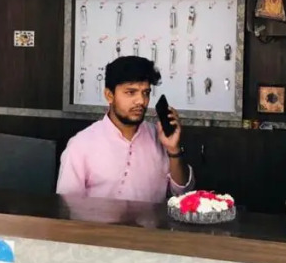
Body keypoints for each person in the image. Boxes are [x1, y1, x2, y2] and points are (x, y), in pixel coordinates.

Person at [56, 56, 194, 202]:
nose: (141, 101)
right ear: (109, 95)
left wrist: (173, 149)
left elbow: (183, 194)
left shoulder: (159, 137)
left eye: (146, 93)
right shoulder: (81, 145)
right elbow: (67, 206)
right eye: (130, 92)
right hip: (97, 218)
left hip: (151, 218)